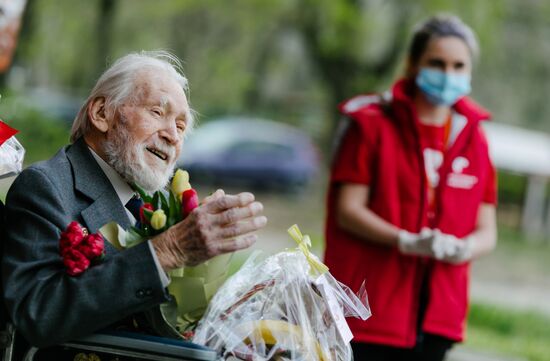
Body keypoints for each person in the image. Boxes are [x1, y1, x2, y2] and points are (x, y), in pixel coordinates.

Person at [1, 50, 267, 348]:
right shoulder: (46, 186)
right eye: (157, 113)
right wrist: (169, 250)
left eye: (181, 126)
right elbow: (37, 313)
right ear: (101, 113)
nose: (172, 136)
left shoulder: (161, 204)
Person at [324, 14, 497, 361]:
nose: (448, 74)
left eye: (458, 66)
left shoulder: (474, 138)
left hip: (438, 315)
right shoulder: (371, 123)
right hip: (369, 310)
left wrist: (464, 248)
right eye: (437, 63)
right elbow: (348, 210)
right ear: (412, 64)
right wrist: (405, 240)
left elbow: (487, 228)